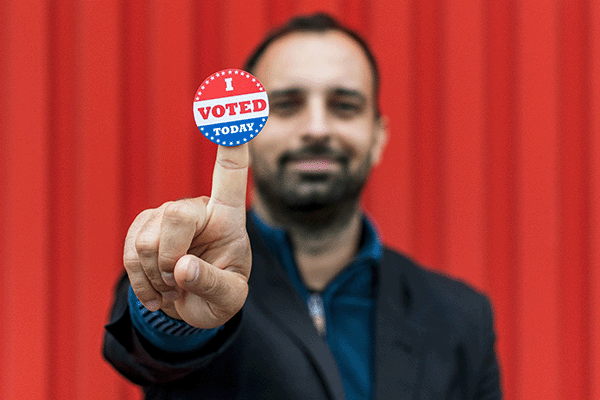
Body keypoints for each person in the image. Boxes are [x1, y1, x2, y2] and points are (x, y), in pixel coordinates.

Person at [103, 13, 501, 399]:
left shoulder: (462, 318)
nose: (316, 128)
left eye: (344, 106)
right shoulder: (201, 267)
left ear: (378, 138)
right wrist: (171, 306)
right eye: (287, 105)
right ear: (249, 130)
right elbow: (145, 351)